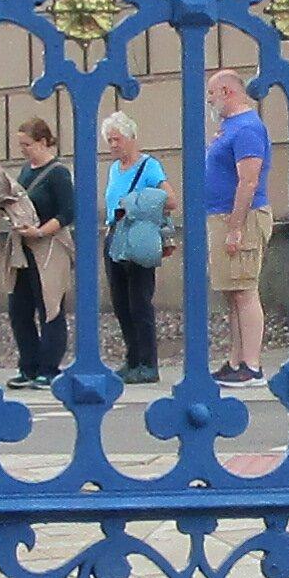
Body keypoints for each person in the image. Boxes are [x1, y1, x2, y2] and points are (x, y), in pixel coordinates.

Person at [200, 63, 273, 379]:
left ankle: (252, 363)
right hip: (221, 214)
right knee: (233, 290)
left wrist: (235, 226)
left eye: (211, 95)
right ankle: (236, 359)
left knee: (244, 289)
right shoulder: (230, 128)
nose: (210, 103)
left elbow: (249, 181)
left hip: (240, 216)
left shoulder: (246, 129)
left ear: (227, 92)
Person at [0, 105, 74, 383]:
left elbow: (67, 212)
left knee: (50, 306)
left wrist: (40, 231)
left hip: (49, 246)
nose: (24, 150)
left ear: (43, 142)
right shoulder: (25, 172)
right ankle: (28, 365)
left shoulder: (58, 173)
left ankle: (49, 366)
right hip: (23, 246)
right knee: (19, 308)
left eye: (27, 145)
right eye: (21, 145)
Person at [98, 109, 172, 382]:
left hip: (137, 235)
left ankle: (148, 362)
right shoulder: (114, 169)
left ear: (131, 138)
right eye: (110, 140)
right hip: (114, 232)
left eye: (117, 139)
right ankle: (132, 358)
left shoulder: (149, 166)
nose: (113, 145)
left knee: (139, 300)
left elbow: (169, 198)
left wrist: (137, 203)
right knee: (120, 302)